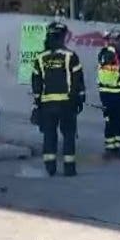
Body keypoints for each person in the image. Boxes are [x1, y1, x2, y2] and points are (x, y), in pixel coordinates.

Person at [32, 21, 85, 177]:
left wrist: (37, 102)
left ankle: (50, 166)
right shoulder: (71, 56)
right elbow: (78, 80)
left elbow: (36, 83)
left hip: (47, 104)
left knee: (49, 135)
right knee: (68, 134)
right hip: (67, 103)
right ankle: (69, 168)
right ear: (62, 37)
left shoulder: (40, 58)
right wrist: (80, 99)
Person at [97, 29, 120, 161]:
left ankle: (117, 149)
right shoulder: (106, 53)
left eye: (118, 39)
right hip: (108, 94)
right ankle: (109, 149)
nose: (117, 42)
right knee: (110, 122)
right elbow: (105, 66)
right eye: (114, 39)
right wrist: (111, 51)